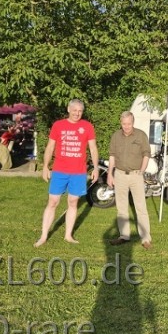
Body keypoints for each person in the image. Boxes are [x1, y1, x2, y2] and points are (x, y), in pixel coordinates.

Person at [34, 99, 99, 247]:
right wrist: (45, 167)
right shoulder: (58, 125)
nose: (77, 113)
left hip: (79, 172)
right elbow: (50, 147)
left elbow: (93, 148)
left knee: (73, 202)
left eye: (80, 111)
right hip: (59, 171)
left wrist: (95, 168)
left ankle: (68, 235)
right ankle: (43, 236)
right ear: (68, 109)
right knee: (53, 202)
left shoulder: (87, 126)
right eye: (75, 110)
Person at [107, 111, 152, 249]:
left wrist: (142, 171)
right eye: (124, 124)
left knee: (141, 208)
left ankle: (145, 239)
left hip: (136, 175)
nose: (127, 126)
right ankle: (123, 236)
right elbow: (112, 156)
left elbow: (146, 154)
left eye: (129, 123)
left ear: (133, 122)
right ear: (121, 123)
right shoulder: (116, 136)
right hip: (119, 175)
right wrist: (110, 174)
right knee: (121, 208)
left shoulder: (140, 135)